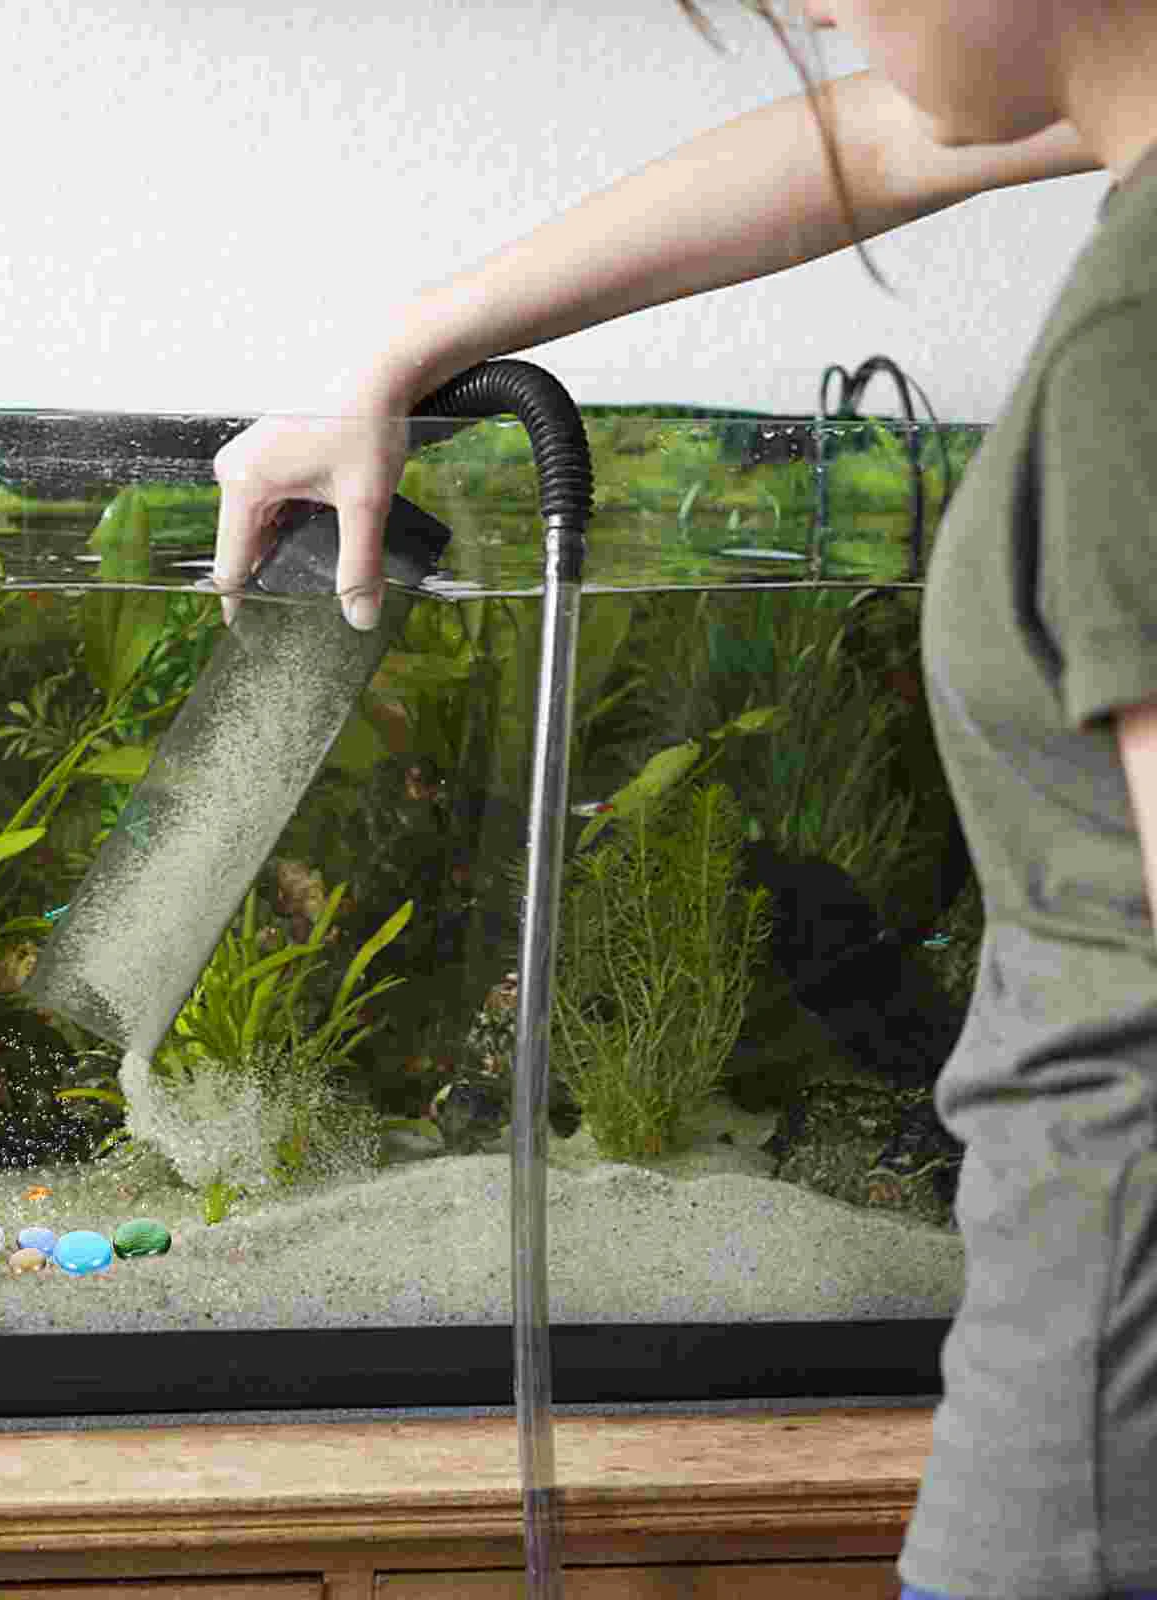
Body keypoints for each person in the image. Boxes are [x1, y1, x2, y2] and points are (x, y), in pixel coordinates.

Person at [211, 3, 1157, 1597]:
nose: (814, 13)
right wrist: (397, 356)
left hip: (1103, 1446)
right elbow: (864, 140)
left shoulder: (1138, 356)